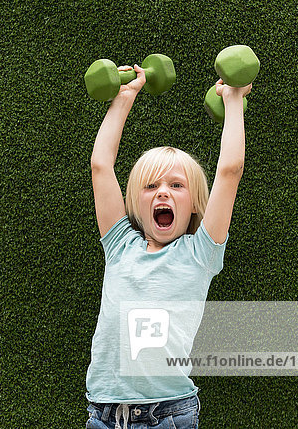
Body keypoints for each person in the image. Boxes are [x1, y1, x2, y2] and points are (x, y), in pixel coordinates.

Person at [86, 63, 252, 429]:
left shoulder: (200, 254)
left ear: (194, 203)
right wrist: (123, 99)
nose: (162, 191)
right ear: (135, 203)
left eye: (176, 186)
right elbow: (101, 166)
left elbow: (230, 170)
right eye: (151, 186)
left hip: (167, 414)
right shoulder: (119, 246)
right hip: (103, 412)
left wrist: (234, 98)